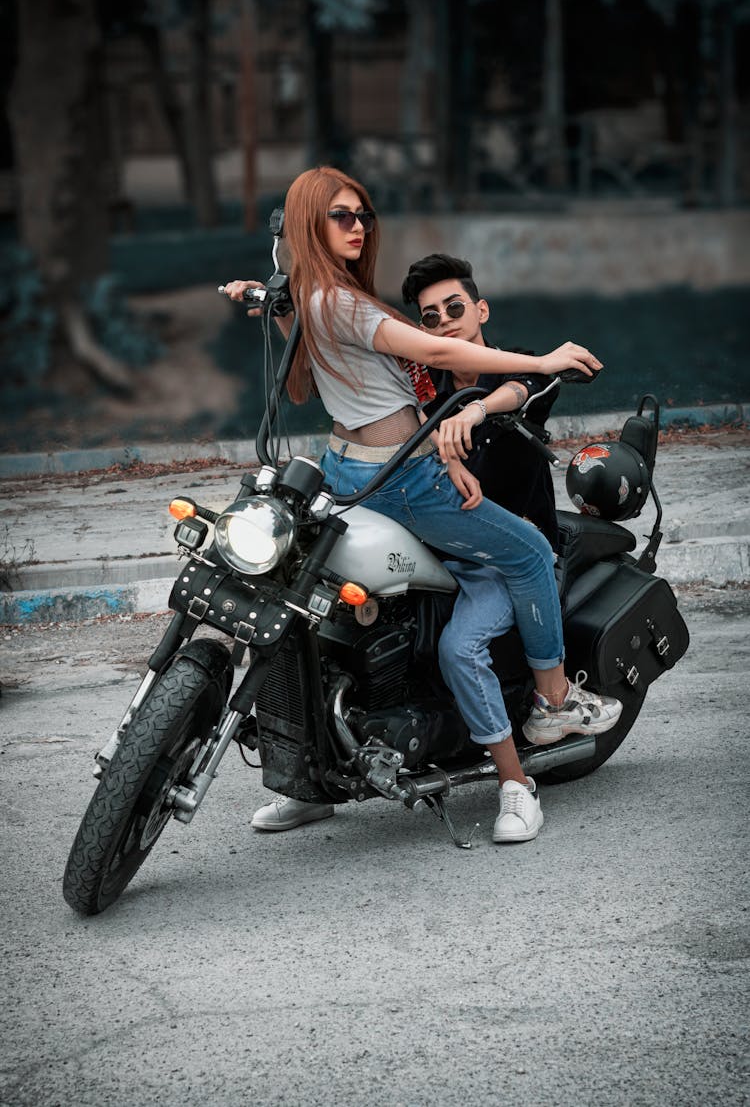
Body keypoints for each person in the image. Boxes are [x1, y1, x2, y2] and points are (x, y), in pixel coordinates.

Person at [224, 165, 622, 843]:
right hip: (392, 480)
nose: (356, 227)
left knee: (515, 559)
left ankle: (520, 763)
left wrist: (509, 389)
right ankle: (549, 703)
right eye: (340, 216)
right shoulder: (341, 307)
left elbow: (504, 385)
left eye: (363, 216)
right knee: (304, 607)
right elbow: (401, 362)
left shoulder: (335, 300)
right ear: (305, 223)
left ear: (481, 309)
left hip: (381, 476)